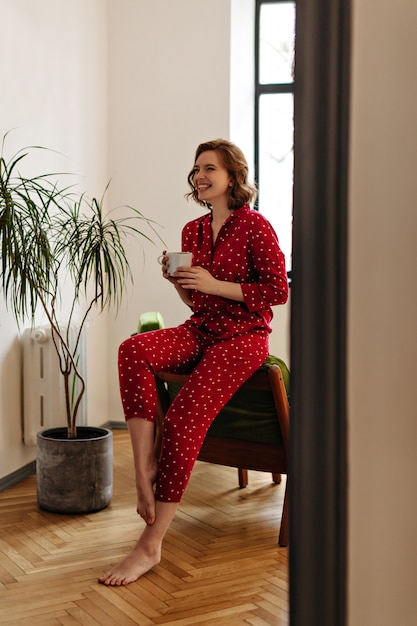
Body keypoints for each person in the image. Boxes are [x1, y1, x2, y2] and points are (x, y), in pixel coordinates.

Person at [99, 138, 288, 586]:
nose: (199, 176)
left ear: (232, 177)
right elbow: (196, 298)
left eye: (209, 168)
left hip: (242, 338)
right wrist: (179, 283)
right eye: (196, 169)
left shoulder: (257, 227)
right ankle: (145, 470)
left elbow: (277, 292)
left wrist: (217, 284)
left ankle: (150, 545)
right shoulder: (193, 230)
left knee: (183, 419)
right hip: (201, 328)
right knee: (134, 349)